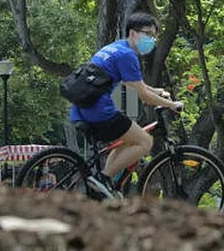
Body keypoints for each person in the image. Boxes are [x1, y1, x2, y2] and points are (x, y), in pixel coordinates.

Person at [69, 12, 182, 200]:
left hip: (84, 108)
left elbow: (134, 84)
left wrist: (157, 91)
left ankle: (103, 184)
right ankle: (103, 178)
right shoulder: (128, 56)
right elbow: (143, 96)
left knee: (128, 140)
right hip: (99, 112)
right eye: (147, 34)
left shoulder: (115, 48)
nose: (151, 40)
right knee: (145, 141)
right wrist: (171, 104)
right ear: (132, 33)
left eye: (154, 36)